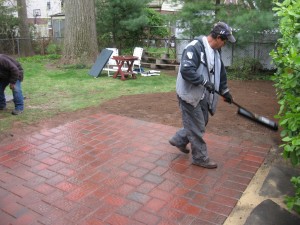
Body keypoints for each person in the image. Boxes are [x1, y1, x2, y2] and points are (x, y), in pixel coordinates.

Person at [169, 21, 236, 169]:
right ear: (218, 37)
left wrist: (225, 92)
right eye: (224, 41)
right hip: (189, 94)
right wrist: (205, 82)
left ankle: (179, 139)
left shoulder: (216, 52)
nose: (224, 44)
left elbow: (221, 73)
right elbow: (186, 70)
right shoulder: (194, 48)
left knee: (202, 121)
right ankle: (200, 157)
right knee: (197, 126)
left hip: (202, 94)